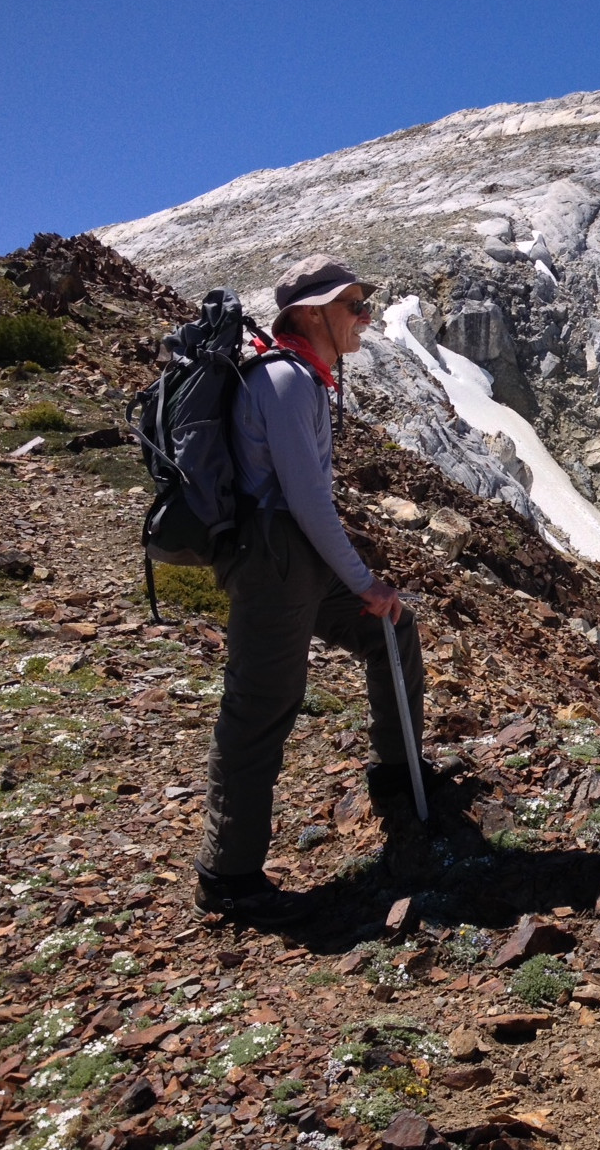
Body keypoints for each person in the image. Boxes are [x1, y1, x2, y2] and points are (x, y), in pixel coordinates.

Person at [193, 254, 430, 926]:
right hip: (275, 565)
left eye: (361, 303)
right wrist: (364, 580)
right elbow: (306, 499)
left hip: (290, 558)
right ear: (310, 314)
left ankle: (395, 772)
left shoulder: (303, 377)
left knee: (389, 630)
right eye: (352, 304)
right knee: (262, 706)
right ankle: (228, 874)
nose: (363, 315)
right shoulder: (287, 383)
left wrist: (363, 585)